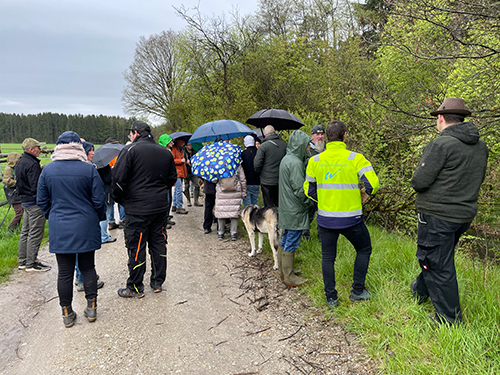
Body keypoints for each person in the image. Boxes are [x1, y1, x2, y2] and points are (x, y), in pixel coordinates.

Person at [410, 98, 488, 325]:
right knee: (438, 257)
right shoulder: (481, 146)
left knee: (436, 262)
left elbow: (419, 182)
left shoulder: (441, 145)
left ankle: (448, 319)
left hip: (437, 215)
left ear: (441, 118)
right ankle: (420, 290)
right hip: (463, 214)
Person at [304, 120, 379, 308]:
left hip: (326, 219)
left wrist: (325, 201)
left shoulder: (315, 161)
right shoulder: (355, 158)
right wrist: (364, 195)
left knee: (328, 257)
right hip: (352, 219)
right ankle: (358, 291)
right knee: (364, 249)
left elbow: (308, 190)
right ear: (345, 135)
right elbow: (373, 184)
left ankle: (331, 297)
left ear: (327, 138)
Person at [37, 131, 106, 328]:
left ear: (58, 147)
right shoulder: (89, 170)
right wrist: (95, 217)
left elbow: (41, 200)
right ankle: (91, 307)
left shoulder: (48, 170)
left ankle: (67, 312)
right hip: (85, 223)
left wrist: (53, 215)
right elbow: (99, 200)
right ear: (78, 147)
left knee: (65, 272)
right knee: (88, 267)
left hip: (60, 224)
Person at [112, 121, 177, 298]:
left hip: (137, 208)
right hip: (160, 206)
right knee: (158, 243)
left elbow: (117, 180)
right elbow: (172, 179)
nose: (130, 137)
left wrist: (121, 199)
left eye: (130, 134)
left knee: (137, 246)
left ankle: (135, 286)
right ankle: (157, 282)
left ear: (135, 133)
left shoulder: (130, 150)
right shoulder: (165, 152)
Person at [278, 130, 314, 287]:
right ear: (300, 145)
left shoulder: (287, 159)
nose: (308, 148)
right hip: (295, 209)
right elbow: (300, 190)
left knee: (285, 239)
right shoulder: (295, 163)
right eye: (307, 145)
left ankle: (283, 271)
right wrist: (309, 203)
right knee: (291, 240)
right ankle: (289, 277)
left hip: (286, 207)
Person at [74, 141, 106, 292]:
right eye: (90, 151)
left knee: (75, 249)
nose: (93, 153)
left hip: (68, 218)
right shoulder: (88, 169)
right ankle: (82, 280)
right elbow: (98, 199)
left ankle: (79, 276)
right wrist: (99, 216)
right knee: (83, 251)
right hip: (85, 216)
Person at [16, 137, 51, 272]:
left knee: (25, 232)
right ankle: (32, 263)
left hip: (24, 201)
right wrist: (43, 202)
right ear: (31, 149)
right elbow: (36, 186)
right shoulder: (32, 164)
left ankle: (23, 261)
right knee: (35, 233)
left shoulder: (20, 162)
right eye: (38, 147)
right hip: (34, 202)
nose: (40, 150)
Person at [253, 125, 287, 207]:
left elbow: (257, 164)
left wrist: (259, 173)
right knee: (280, 204)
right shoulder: (284, 145)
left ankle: (271, 219)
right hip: (281, 180)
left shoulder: (263, 146)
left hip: (266, 181)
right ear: (275, 133)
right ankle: (280, 219)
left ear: (265, 135)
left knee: (269, 207)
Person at [214, 156, 247, 241]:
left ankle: (220, 233)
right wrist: (244, 191)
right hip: (235, 192)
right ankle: (233, 233)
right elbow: (242, 179)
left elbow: (213, 180)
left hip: (222, 192)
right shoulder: (237, 164)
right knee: (234, 213)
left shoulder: (219, 164)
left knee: (221, 212)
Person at [158, 133, 176, 229]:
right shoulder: (162, 152)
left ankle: (166, 217)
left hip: (168, 180)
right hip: (163, 181)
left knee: (169, 200)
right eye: (170, 141)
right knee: (166, 200)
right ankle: (163, 221)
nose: (172, 143)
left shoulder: (168, 151)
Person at [2, 152, 23, 232]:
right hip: (12, 194)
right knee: (19, 212)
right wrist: (18, 183)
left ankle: (16, 228)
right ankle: (11, 228)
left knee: (20, 211)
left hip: (16, 193)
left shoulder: (14, 168)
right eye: (18, 159)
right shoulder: (8, 169)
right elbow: (7, 181)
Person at [241, 135, 260, 206]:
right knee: (255, 203)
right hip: (256, 182)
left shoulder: (243, 154)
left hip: (246, 182)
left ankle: (248, 217)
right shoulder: (258, 153)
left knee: (247, 205)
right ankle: (256, 217)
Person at [171, 137, 188, 214]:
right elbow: (171, 160)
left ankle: (174, 205)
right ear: (178, 141)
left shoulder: (180, 149)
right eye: (182, 141)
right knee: (179, 190)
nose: (184, 142)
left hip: (180, 173)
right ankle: (179, 207)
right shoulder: (174, 149)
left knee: (177, 190)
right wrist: (180, 161)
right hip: (177, 173)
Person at [183, 143, 202, 207]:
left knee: (197, 185)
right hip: (186, 171)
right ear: (186, 146)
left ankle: (196, 201)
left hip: (193, 171)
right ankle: (188, 200)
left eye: (191, 145)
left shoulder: (194, 152)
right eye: (188, 145)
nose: (190, 146)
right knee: (186, 186)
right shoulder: (183, 153)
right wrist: (186, 162)